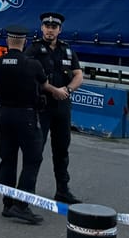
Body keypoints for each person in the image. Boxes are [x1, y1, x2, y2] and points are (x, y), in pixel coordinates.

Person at [26, 11, 85, 205]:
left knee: (62, 151)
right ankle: (28, 192)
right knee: (36, 150)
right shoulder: (33, 50)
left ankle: (63, 190)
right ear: (42, 28)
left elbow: (78, 75)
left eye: (54, 27)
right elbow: (28, 75)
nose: (50, 30)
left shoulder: (67, 50)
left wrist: (67, 90)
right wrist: (53, 90)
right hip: (42, 107)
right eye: (47, 26)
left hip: (62, 107)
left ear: (59, 30)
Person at [0, 25, 47, 225]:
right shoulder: (32, 64)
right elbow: (43, 83)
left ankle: (7, 204)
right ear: (24, 42)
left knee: (7, 160)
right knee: (33, 159)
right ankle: (22, 205)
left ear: (8, 41)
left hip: (4, 114)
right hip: (26, 115)